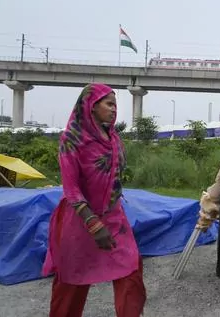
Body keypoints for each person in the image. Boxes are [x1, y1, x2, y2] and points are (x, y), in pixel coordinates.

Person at [42, 84, 146, 317]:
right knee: (72, 282)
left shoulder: (113, 137)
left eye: (115, 105)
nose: (114, 110)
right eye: (109, 104)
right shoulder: (72, 139)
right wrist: (93, 224)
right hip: (80, 221)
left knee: (130, 272)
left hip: (113, 217)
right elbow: (71, 187)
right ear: (91, 105)